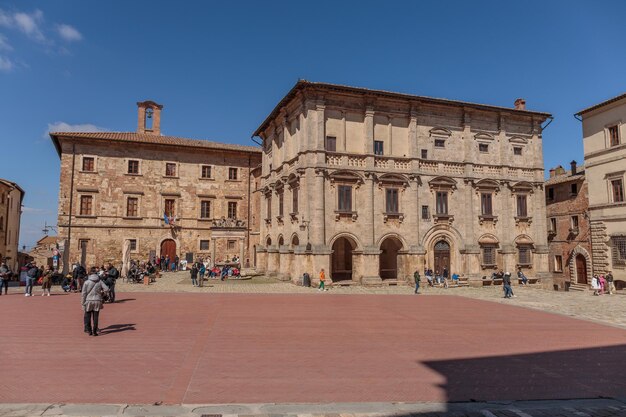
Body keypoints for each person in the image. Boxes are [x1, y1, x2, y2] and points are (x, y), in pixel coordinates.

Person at [81, 267, 109, 336]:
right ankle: (94, 331)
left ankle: (89, 330)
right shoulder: (100, 281)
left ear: (89, 274)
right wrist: (102, 294)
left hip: (88, 300)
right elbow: (106, 289)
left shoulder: (86, 282)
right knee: (96, 317)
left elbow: (83, 293)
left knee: (88, 316)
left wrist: (82, 302)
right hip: (97, 300)